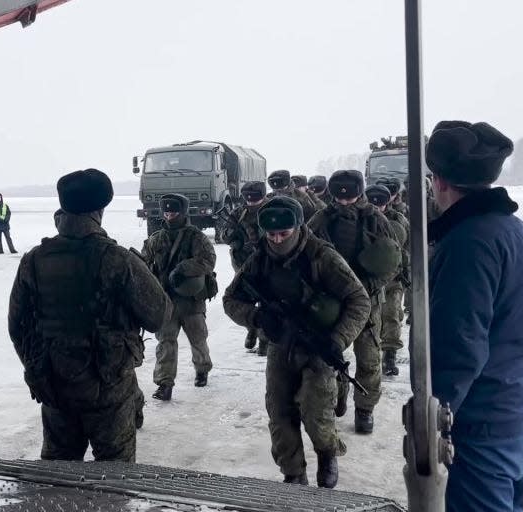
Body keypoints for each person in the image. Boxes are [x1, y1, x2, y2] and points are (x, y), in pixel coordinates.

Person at [8, 169, 169, 462]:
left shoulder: (34, 260)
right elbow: (158, 316)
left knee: (56, 479)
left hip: (55, 391)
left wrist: (44, 368)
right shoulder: (118, 260)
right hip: (108, 391)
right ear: (100, 210)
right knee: (115, 481)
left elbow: (17, 327)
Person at [426, 121, 523, 512]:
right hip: (515, 414)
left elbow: (459, 346)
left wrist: (432, 420)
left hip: (480, 429)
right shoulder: (520, 234)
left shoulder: (468, 245)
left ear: (440, 181)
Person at [223, 196, 370, 487]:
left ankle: (327, 454)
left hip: (318, 345)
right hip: (281, 345)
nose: (277, 240)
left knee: (316, 411)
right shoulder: (260, 258)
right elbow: (231, 299)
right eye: (271, 234)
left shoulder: (322, 257)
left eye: (284, 233)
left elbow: (359, 300)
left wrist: (337, 339)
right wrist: (256, 318)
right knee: (279, 411)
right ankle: (293, 471)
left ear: (299, 227)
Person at [307, 170, 400, 433]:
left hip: (366, 301)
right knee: (330, 352)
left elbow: (391, 261)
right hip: (330, 300)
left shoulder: (375, 219)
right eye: (339, 197)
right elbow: (306, 249)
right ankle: (338, 392)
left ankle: (365, 409)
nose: (344, 202)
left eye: (350, 197)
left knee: (369, 357)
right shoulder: (322, 218)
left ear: (359, 192)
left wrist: (366, 288)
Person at [142, 193, 217, 400]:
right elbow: (144, 264)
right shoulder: (155, 239)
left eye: (173, 212)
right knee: (165, 342)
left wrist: (183, 268)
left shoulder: (196, 237)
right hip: (165, 300)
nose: (169, 216)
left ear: (183, 212)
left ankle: (202, 369)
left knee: (198, 339)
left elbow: (208, 261)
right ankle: (164, 384)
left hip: (191, 300)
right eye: (166, 212)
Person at [365, 184, 409, 376]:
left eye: (380, 204)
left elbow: (407, 247)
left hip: (392, 278)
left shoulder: (397, 220)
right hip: (367, 279)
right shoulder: (360, 219)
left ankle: (389, 355)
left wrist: (406, 271)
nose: (377, 208)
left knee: (390, 314)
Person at [221, 181, 268, 354]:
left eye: (254, 199)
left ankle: (264, 340)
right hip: (243, 264)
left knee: (266, 300)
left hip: (267, 262)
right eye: (248, 199)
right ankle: (252, 330)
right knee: (246, 299)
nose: (251, 203)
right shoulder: (238, 213)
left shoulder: (271, 210)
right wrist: (235, 238)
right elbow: (224, 235)